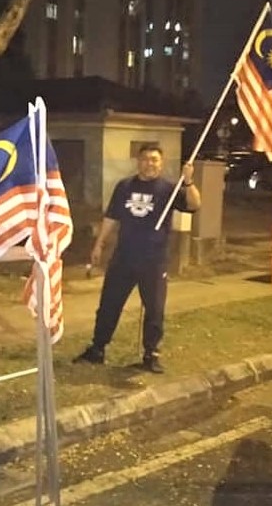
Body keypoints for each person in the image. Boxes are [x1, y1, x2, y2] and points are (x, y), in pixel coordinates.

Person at [74, 144, 201, 374]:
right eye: (145, 159)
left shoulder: (169, 189)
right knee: (109, 305)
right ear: (138, 162)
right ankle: (97, 349)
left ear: (161, 164)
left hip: (154, 260)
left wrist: (189, 182)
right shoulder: (124, 186)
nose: (149, 163)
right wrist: (99, 244)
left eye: (154, 160)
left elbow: (194, 205)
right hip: (124, 257)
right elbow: (112, 217)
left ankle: (151, 355)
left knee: (154, 309)